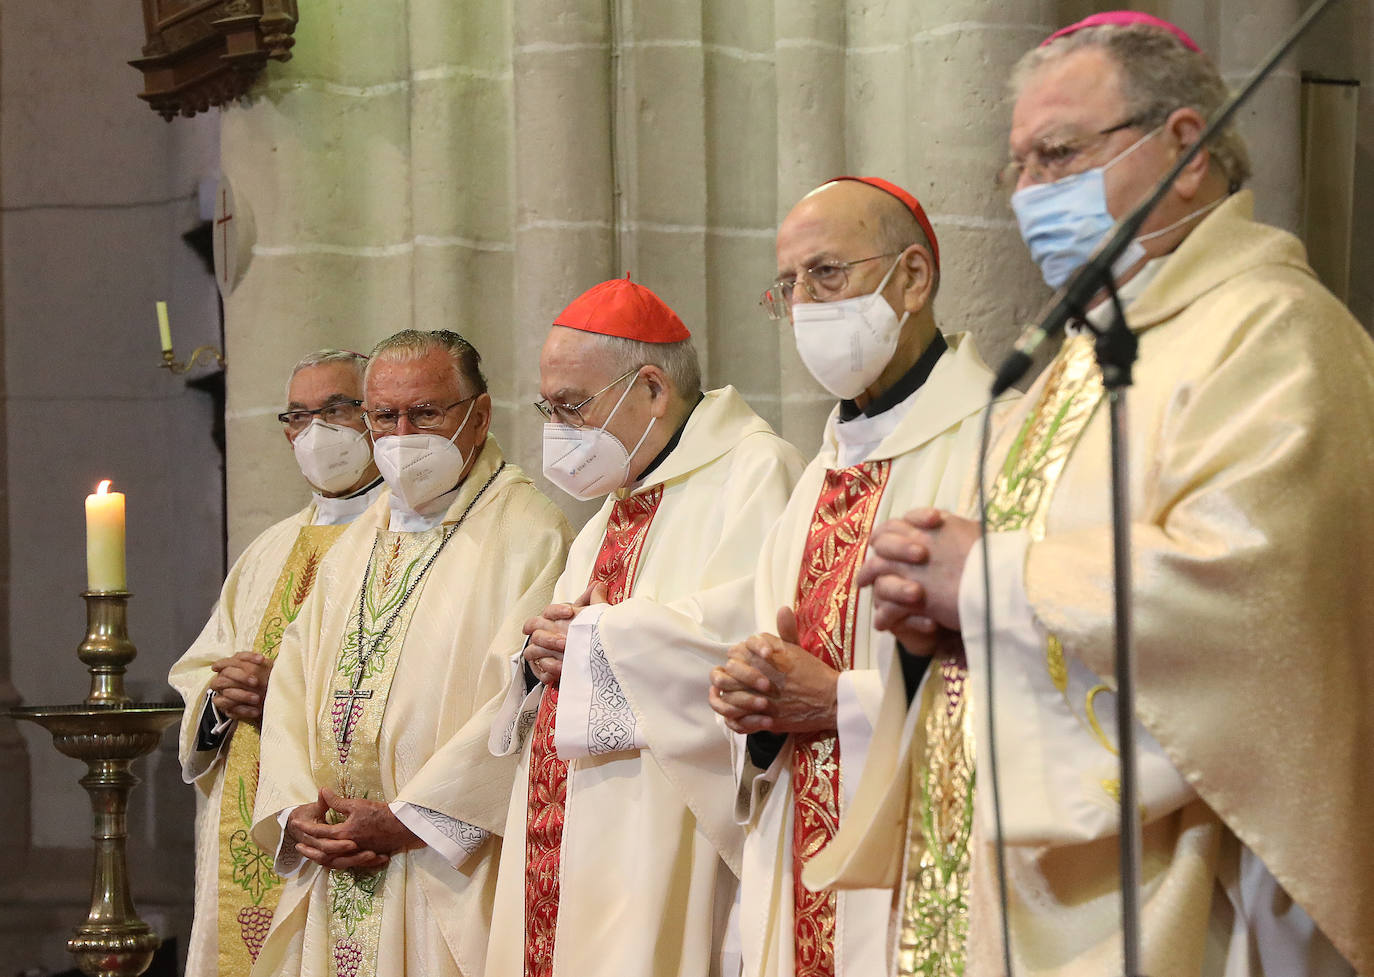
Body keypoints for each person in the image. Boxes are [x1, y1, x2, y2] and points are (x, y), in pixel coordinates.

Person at [838, 13, 1374, 976]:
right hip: (1015, 898)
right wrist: (941, 624)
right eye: (1022, 168)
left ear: (1187, 146)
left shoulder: (1275, 333)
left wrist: (987, 581)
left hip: (1178, 898)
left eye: (1060, 153)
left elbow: (1261, 601)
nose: (1035, 193)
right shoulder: (1066, 362)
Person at [706, 177, 1013, 977]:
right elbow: (780, 660)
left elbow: (1045, 672)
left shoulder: (997, 442)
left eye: (827, 274)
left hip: (937, 866)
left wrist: (838, 702)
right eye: (789, 285)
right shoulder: (819, 471)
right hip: (799, 865)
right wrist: (758, 708)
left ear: (913, 278)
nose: (803, 302)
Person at [482, 278, 804, 977]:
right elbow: (566, 648)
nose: (557, 426)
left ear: (652, 388)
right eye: (549, 406)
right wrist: (537, 657)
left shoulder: (757, 472)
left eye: (571, 405)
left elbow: (750, 646)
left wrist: (599, 639)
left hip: (662, 840)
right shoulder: (613, 506)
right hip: (572, 840)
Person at [249, 330, 572, 977]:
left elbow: (528, 701)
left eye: (425, 413)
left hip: (448, 865)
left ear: (478, 415)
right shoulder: (355, 543)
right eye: (383, 417)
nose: (400, 434)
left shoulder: (531, 534)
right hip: (335, 858)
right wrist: (295, 810)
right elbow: (290, 680)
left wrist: (411, 818)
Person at [169, 348, 384, 977]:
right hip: (248, 811)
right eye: (297, 416)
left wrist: (287, 695)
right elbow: (201, 666)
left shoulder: (406, 539)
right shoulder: (269, 549)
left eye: (337, 409)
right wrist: (219, 697)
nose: (315, 432)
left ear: (376, 414)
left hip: (340, 825)